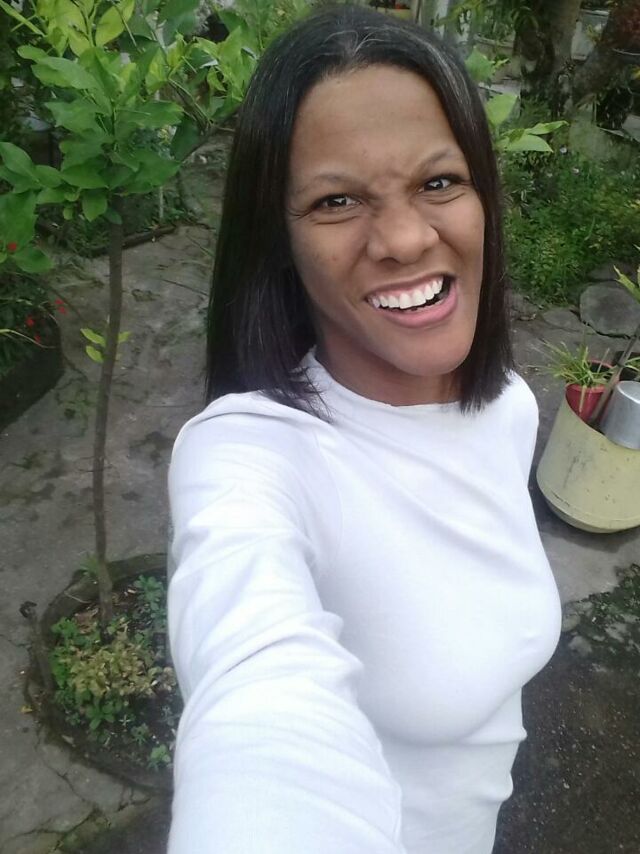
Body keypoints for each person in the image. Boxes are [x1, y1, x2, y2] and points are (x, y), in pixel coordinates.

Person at [166, 5, 562, 853]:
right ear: (278, 239)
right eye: (337, 200)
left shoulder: (507, 406)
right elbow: (256, 693)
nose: (406, 238)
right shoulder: (248, 456)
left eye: (439, 182)